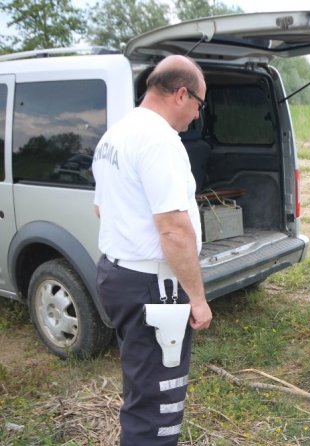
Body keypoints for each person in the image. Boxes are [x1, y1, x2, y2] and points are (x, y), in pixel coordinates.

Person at [92, 55, 213, 445]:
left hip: (118, 274)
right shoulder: (160, 140)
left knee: (142, 386)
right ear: (182, 94)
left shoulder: (117, 134)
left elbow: (101, 207)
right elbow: (175, 231)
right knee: (158, 407)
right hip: (153, 286)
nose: (196, 116)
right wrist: (197, 299)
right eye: (199, 105)